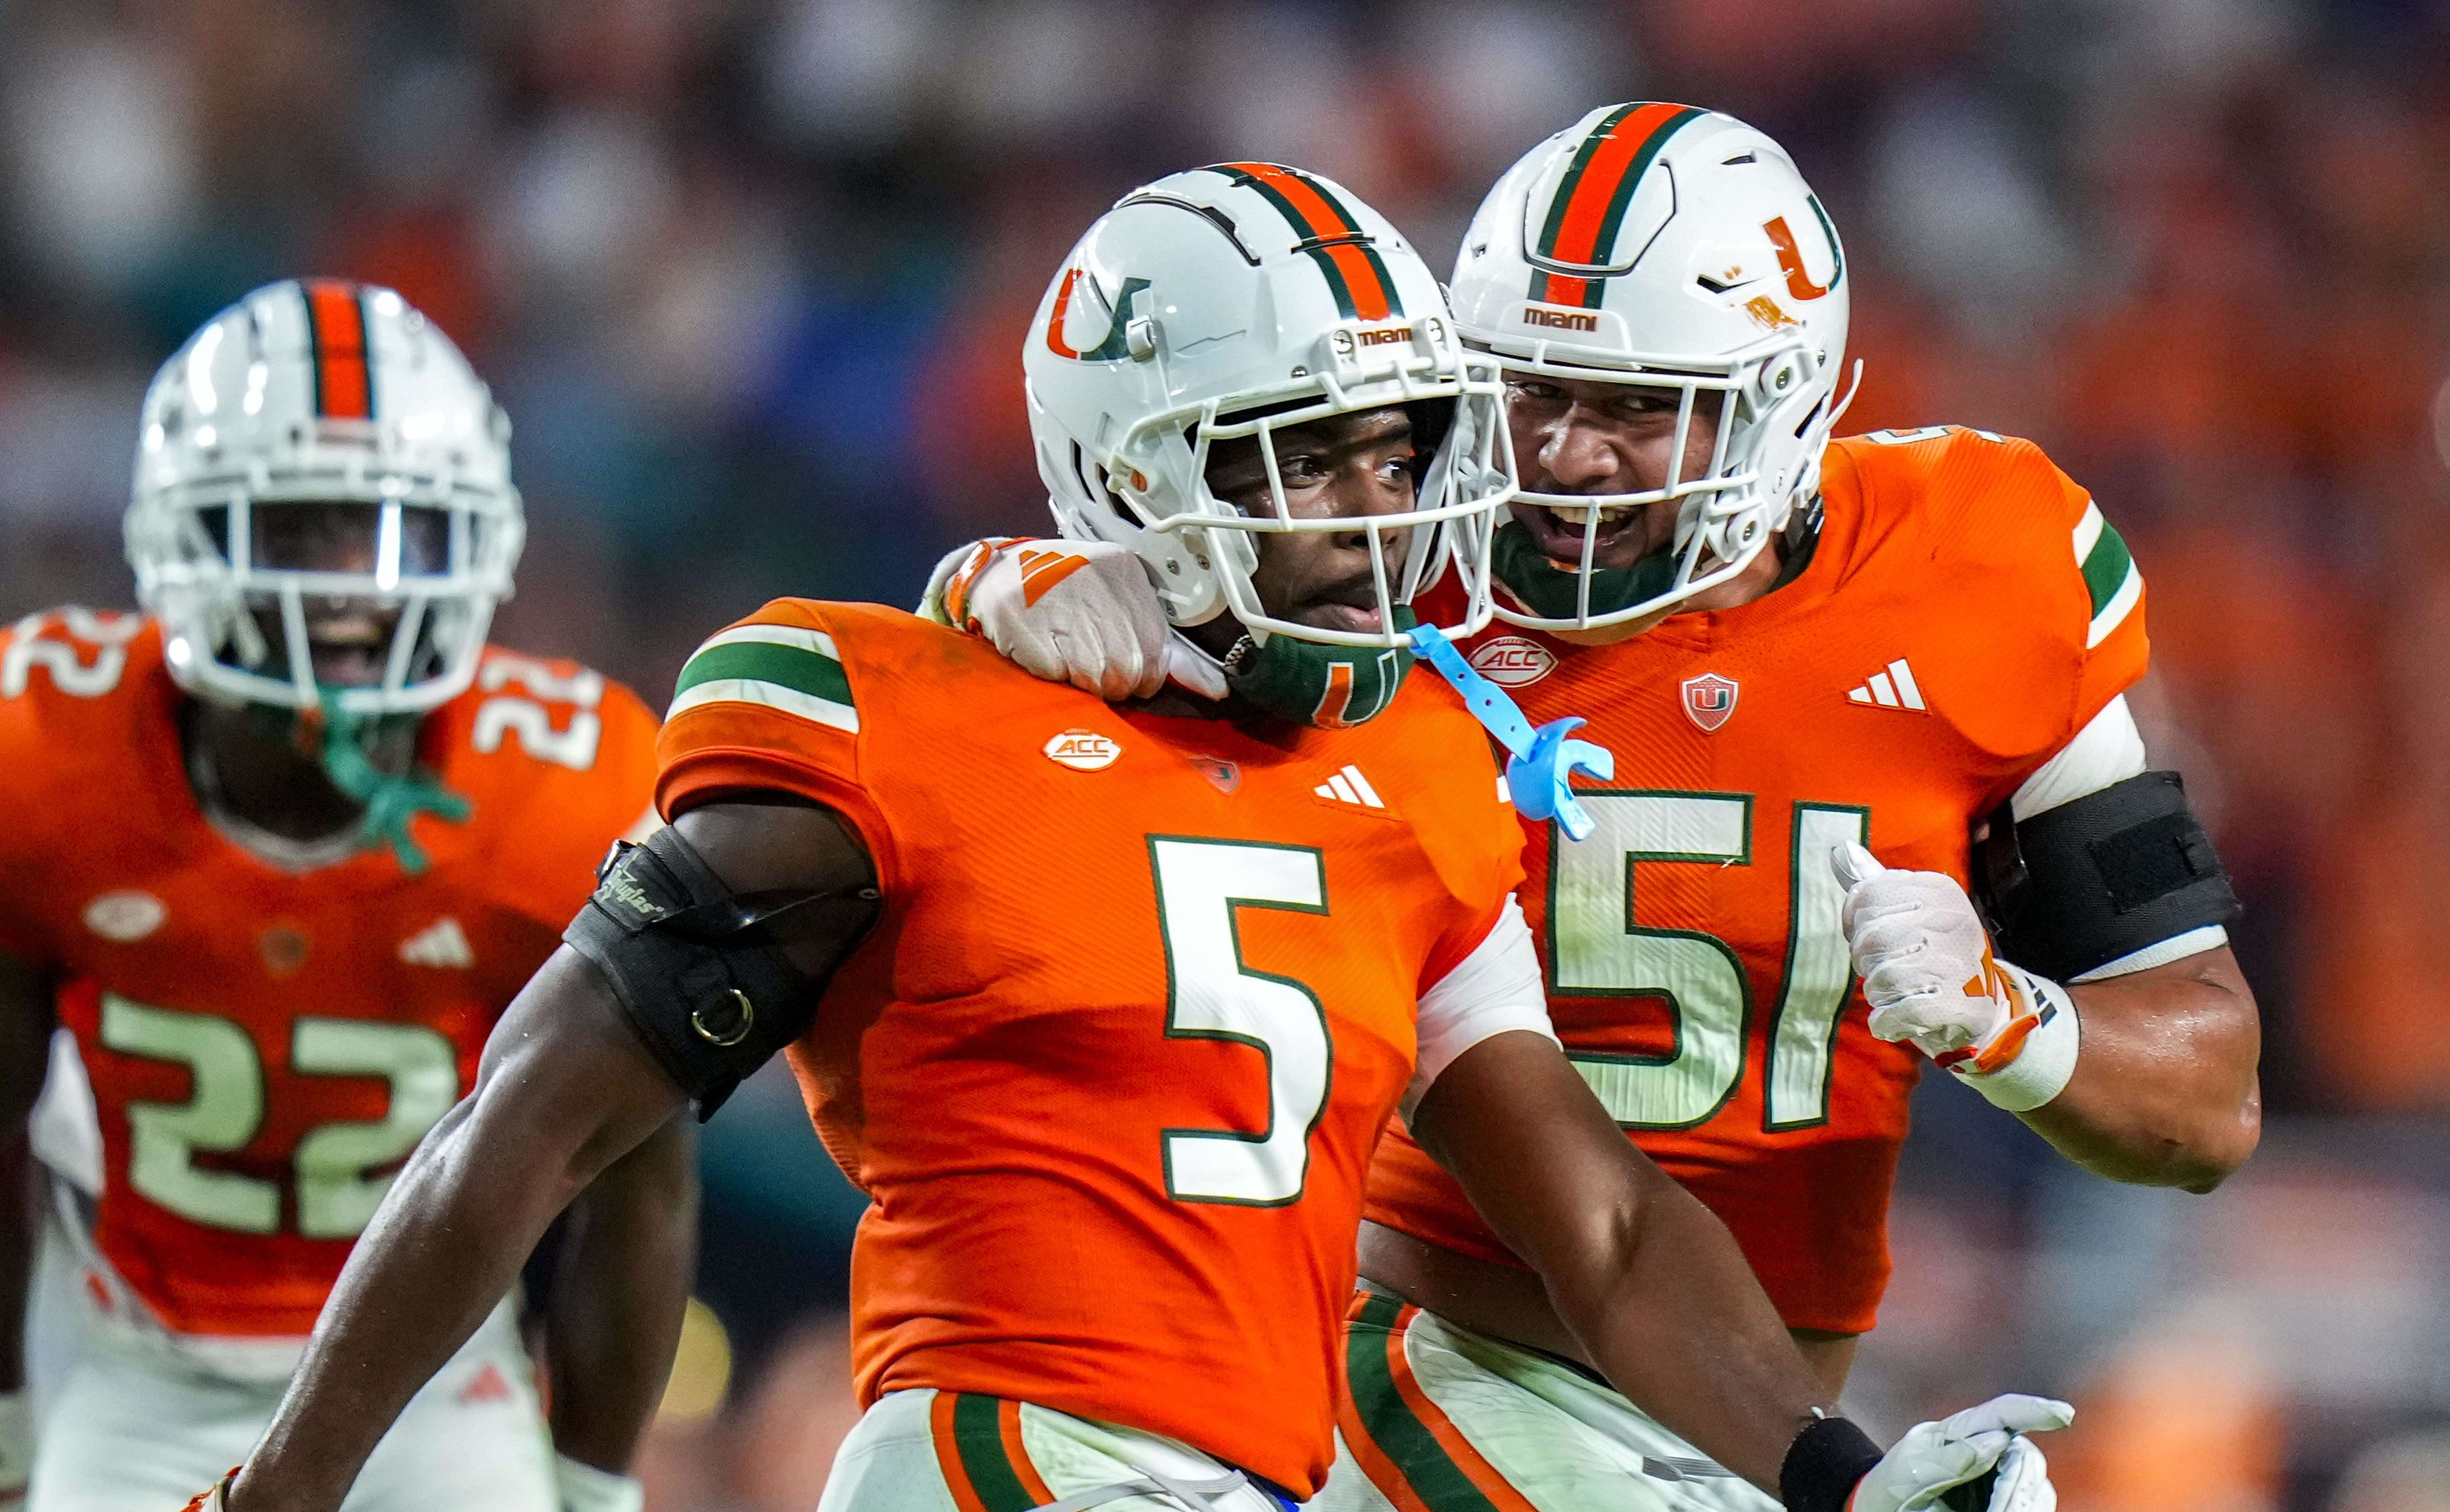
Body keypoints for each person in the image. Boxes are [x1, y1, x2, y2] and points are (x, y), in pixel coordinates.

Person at [195, 168, 2065, 1512]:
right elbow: (526, 1125)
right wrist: (288, 1484)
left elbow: (1608, 1223)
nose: (1378, 508)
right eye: (1307, 456)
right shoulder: (899, 712)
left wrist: (1838, 1471)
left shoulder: (1416, 756)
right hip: (1001, 1450)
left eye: (1402, 448)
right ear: (1135, 467)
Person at [934, 106, 2254, 1512]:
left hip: (1752, 1396)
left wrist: (2009, 1017)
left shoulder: (1988, 562)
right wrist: (996, 582)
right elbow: (1121, 593)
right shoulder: (1396, 571)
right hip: (1427, 1347)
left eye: (1635, 408)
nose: (1562, 458)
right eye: (1528, 393)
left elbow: (2203, 1104)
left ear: (1783, 403)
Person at [0, 280, 689, 1512]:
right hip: (139, 1368)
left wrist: (594, 1495)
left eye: (398, 533)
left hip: (433, 1381)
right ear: (184, 536)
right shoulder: (37, 753)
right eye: (306, 529)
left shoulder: (566, 790)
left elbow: (641, 1191)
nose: (358, 589)